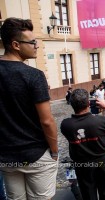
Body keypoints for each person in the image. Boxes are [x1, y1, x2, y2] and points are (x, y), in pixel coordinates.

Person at [0, 18, 58, 199]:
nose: (36, 46)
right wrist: (55, 151)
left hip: (5, 156)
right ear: (16, 45)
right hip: (36, 155)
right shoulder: (34, 75)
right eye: (32, 42)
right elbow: (47, 121)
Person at [61, 89, 105, 200]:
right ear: (89, 104)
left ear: (72, 105)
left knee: (88, 194)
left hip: (82, 164)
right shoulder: (99, 121)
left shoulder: (65, 125)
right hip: (102, 162)